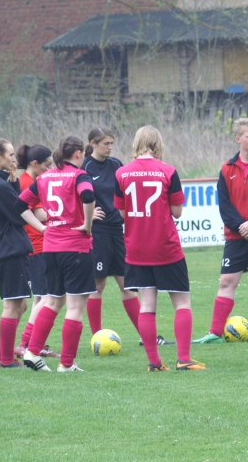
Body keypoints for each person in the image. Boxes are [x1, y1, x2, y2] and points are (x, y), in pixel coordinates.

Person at [115, 126, 205, 371]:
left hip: (136, 248)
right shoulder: (168, 171)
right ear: (157, 144)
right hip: (166, 247)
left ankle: (154, 362)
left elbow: (122, 212)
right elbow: (176, 212)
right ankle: (184, 359)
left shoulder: (121, 173)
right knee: (182, 303)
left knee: (147, 305)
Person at [19, 136, 97, 372]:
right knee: (74, 307)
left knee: (52, 301)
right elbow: (88, 196)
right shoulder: (79, 176)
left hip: (51, 248)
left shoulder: (44, 177)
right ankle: (67, 363)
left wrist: (42, 228)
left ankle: (32, 353)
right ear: (77, 154)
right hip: (75, 247)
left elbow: (20, 205)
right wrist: (88, 225)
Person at [194, 118, 248, 344]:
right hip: (236, 236)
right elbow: (224, 204)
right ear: (238, 139)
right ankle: (215, 332)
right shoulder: (226, 169)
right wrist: (241, 225)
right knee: (226, 281)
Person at [0, 139, 46, 369]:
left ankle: (5, 354)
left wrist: (13, 183)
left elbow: (11, 207)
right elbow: (18, 214)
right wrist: (43, 228)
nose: (14, 159)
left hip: (5, 249)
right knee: (13, 305)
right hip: (9, 250)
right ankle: (4, 359)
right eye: (11, 154)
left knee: (21, 304)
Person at [82, 127, 147, 343]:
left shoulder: (117, 165)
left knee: (127, 283)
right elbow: (76, 196)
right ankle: (97, 337)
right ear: (93, 144)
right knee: (98, 285)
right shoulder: (86, 167)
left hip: (117, 231)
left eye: (112, 143)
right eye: (105, 143)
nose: (110, 147)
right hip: (98, 232)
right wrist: (88, 217)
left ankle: (146, 336)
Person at [14, 144, 60, 360]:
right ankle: (27, 343)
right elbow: (41, 215)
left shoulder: (25, 180)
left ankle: (34, 343)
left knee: (42, 297)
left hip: (36, 246)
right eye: (47, 166)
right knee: (47, 298)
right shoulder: (28, 183)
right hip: (39, 245)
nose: (50, 170)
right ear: (34, 164)